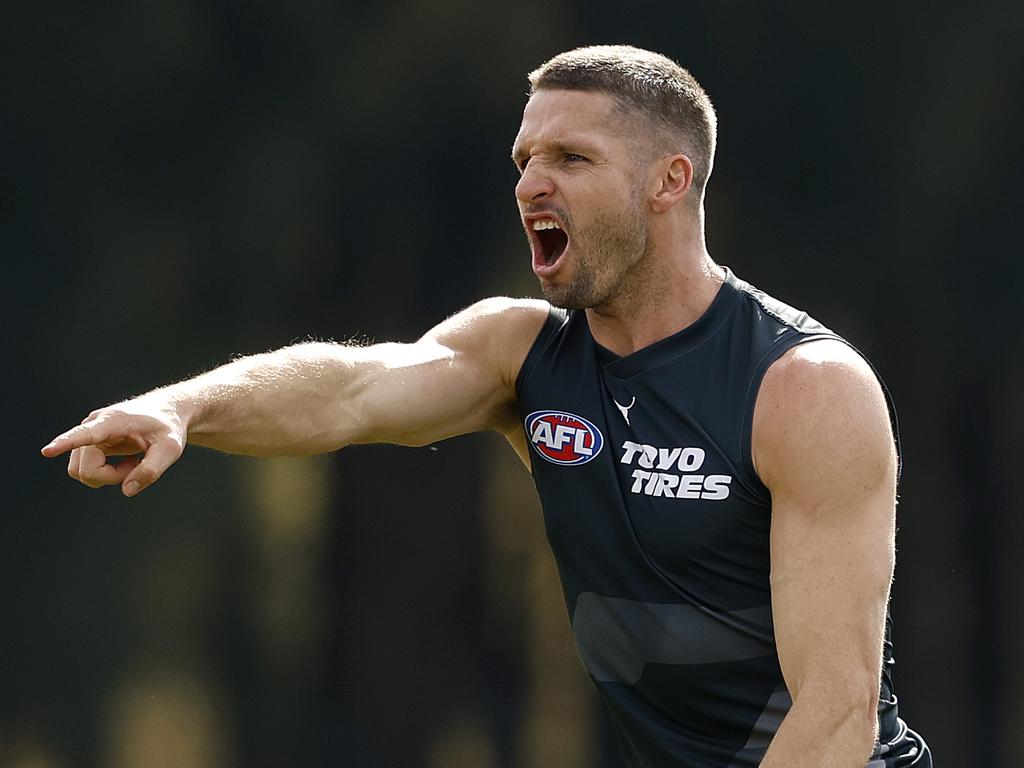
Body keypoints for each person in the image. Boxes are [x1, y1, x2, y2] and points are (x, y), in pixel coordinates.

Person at [41, 45, 931, 767]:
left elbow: (837, 715)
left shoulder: (805, 387)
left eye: (571, 158)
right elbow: (349, 389)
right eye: (524, 159)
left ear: (669, 181)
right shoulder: (524, 353)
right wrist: (181, 408)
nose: (530, 183)